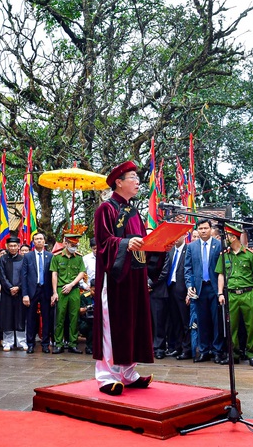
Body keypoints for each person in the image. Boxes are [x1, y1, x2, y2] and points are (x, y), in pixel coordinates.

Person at [92, 161, 158, 396]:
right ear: (118, 182)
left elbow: (142, 241)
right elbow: (103, 243)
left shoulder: (132, 211)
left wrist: (158, 243)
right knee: (112, 324)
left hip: (135, 275)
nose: (137, 181)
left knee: (133, 322)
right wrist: (125, 243)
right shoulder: (106, 209)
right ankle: (106, 376)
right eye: (132, 177)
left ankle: (128, 373)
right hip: (115, 277)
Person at [216, 224, 253, 367]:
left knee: (252, 326)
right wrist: (220, 293)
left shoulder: (249, 254)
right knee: (231, 326)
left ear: (234, 237)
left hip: (248, 293)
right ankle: (234, 354)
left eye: (227, 236)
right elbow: (221, 274)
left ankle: (252, 353)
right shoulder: (224, 255)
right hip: (231, 294)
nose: (224, 239)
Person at [184, 219, 224, 363]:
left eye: (205, 228)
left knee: (216, 321)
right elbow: (187, 268)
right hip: (199, 289)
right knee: (202, 321)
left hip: (214, 288)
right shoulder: (192, 247)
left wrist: (221, 290)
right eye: (200, 228)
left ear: (211, 229)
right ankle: (204, 350)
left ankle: (218, 351)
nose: (203, 231)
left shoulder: (219, 245)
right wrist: (189, 285)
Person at [50, 233, 86, 354]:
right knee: (60, 318)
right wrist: (55, 292)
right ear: (65, 243)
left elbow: (82, 273)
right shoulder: (57, 257)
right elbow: (54, 274)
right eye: (72, 244)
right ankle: (59, 343)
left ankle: (73, 343)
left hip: (74, 290)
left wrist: (71, 284)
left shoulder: (79, 257)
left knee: (74, 317)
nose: (74, 247)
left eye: (75, 245)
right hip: (61, 289)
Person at [21, 231, 54, 354]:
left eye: (41, 239)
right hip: (31, 291)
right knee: (30, 318)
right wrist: (24, 294)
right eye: (36, 239)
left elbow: (53, 275)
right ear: (33, 242)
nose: (39, 241)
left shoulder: (50, 256)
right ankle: (30, 344)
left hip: (46, 290)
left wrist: (53, 293)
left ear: (44, 241)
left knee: (46, 318)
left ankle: (45, 344)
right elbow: (23, 276)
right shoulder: (28, 256)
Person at [166, 235, 192, 360]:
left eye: (178, 235)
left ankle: (187, 349)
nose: (175, 238)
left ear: (184, 236)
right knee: (175, 321)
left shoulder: (188, 250)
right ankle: (178, 347)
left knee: (185, 321)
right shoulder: (170, 251)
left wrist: (189, 290)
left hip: (183, 290)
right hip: (171, 289)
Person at [0, 236, 27, 351]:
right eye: (11, 245)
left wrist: (18, 287)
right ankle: (7, 342)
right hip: (7, 293)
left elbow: (24, 275)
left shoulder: (23, 259)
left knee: (20, 316)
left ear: (19, 246)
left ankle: (21, 341)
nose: (13, 247)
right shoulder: (3, 259)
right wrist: (10, 287)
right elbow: (2, 275)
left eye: (15, 245)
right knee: (7, 317)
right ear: (7, 246)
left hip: (20, 293)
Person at [79, 279, 95, 354]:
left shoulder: (102, 295)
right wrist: (88, 308)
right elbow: (80, 311)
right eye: (93, 291)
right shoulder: (84, 296)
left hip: (98, 320)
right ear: (90, 288)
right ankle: (89, 347)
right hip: (85, 321)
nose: (95, 293)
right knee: (91, 326)